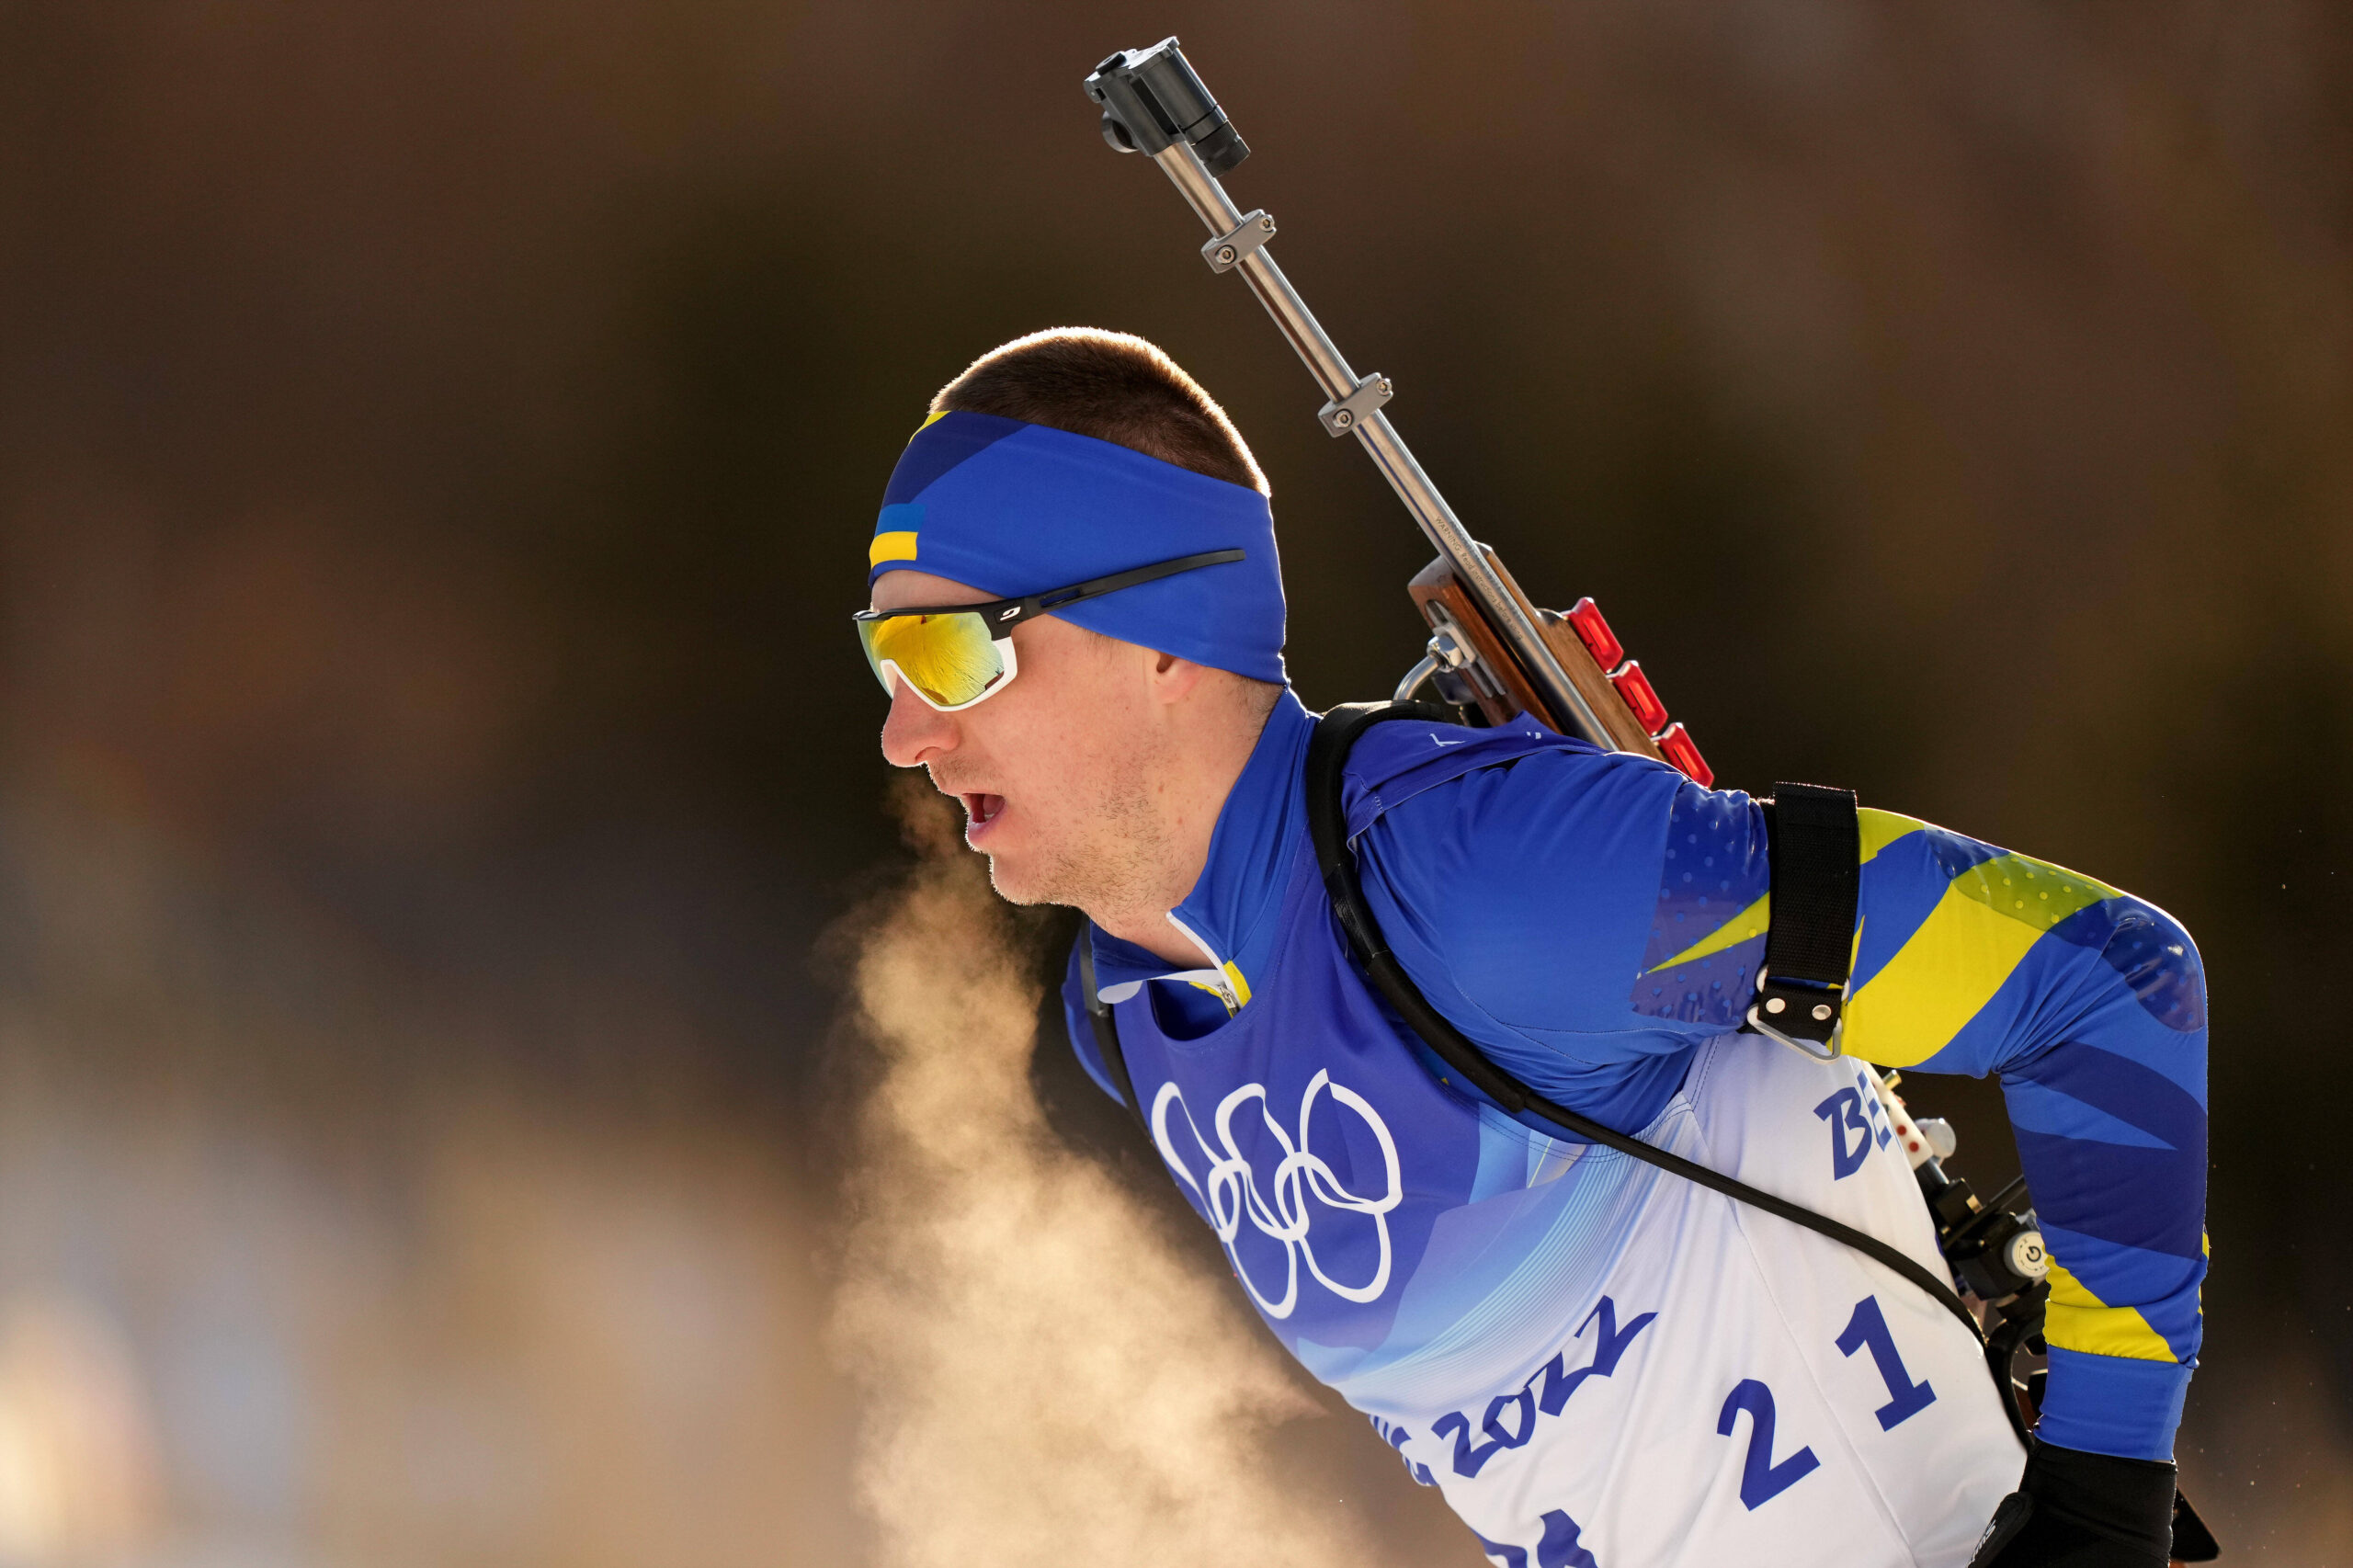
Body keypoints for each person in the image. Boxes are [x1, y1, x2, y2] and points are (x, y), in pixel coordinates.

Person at [858, 327, 2207, 1568]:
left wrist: (2101, 1505)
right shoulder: (1133, 1015)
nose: (907, 734)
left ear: (1163, 634)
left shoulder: (1492, 880)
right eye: (886, 658)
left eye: (955, 650)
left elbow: (2108, 981)